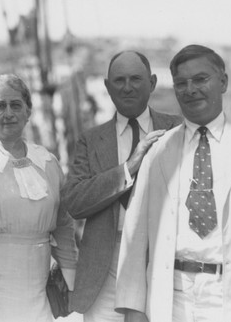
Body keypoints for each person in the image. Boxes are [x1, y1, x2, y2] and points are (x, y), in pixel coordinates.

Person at [116, 45, 231, 322]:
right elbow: (135, 240)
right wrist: (134, 312)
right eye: (181, 83)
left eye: (200, 79)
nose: (190, 89)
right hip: (173, 296)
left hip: (229, 296)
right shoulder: (159, 151)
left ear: (223, 82)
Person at [61, 51, 182, 322]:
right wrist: (129, 167)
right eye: (119, 80)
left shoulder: (177, 129)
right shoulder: (91, 140)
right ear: (107, 87)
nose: (127, 87)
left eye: (135, 79)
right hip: (105, 266)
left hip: (162, 259)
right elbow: (74, 202)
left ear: (152, 83)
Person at [0, 74, 77, 322]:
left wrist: (72, 285)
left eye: (16, 105)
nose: (8, 113)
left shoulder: (48, 162)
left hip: (37, 294)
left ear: (28, 111)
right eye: (0, 106)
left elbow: (64, 229)